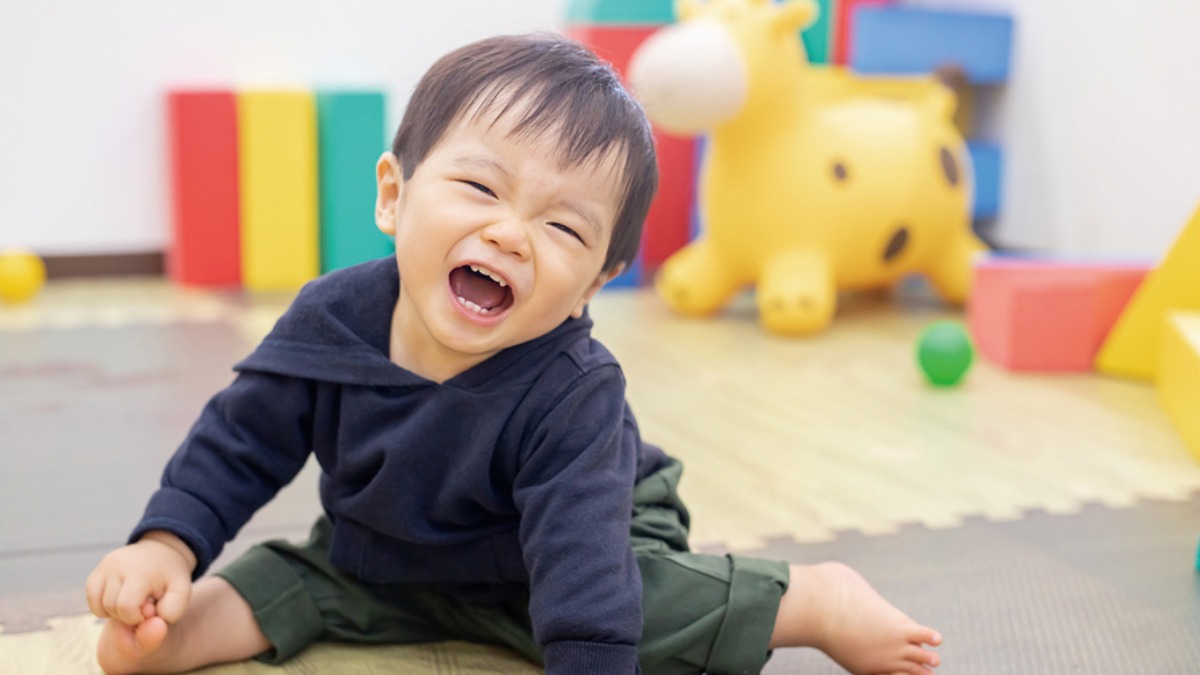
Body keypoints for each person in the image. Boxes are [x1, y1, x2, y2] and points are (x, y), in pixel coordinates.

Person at [85, 33, 943, 675]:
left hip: (566, 551)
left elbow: (581, 567)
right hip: (381, 553)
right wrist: (168, 544)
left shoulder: (573, 388)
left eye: (563, 226)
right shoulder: (332, 318)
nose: (510, 231)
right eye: (480, 186)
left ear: (594, 285)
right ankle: (185, 620)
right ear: (395, 194)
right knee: (284, 582)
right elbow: (240, 441)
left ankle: (811, 596)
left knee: (631, 615)